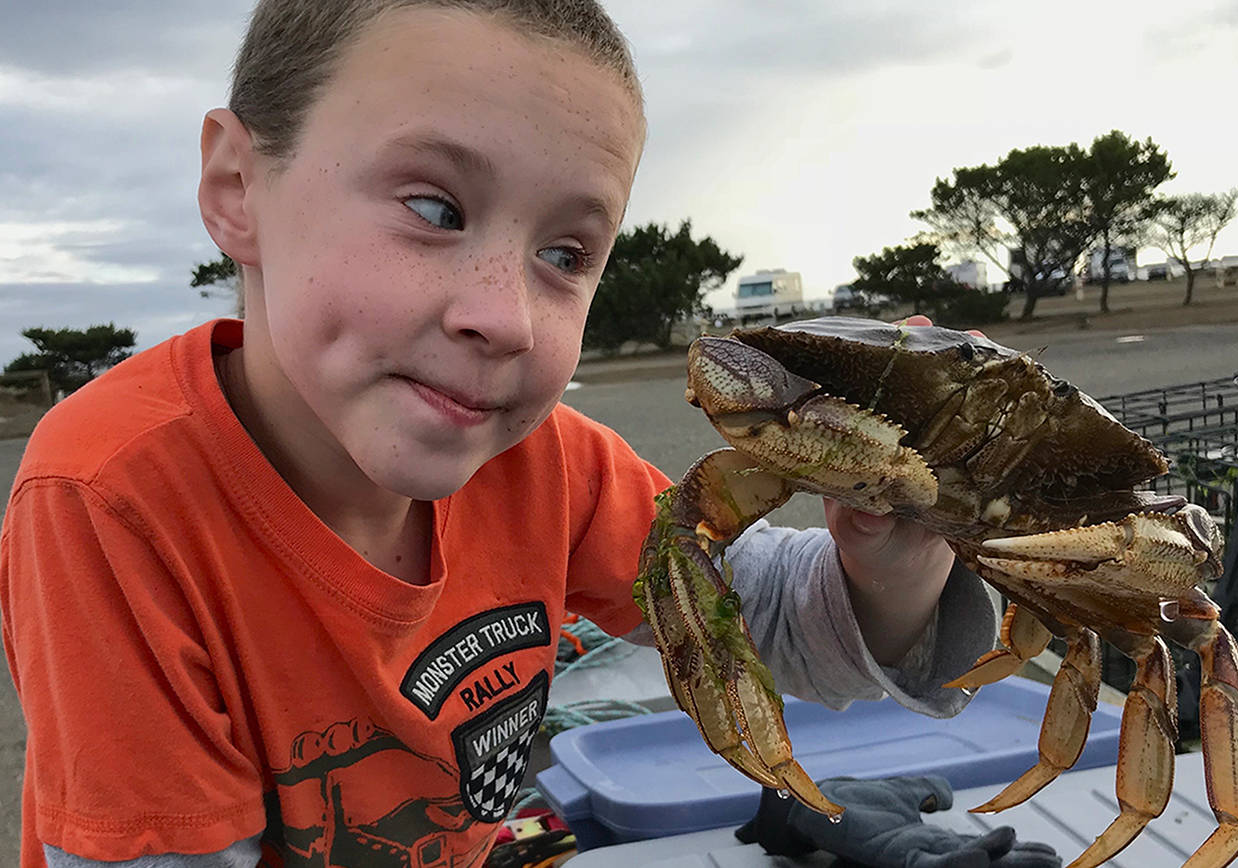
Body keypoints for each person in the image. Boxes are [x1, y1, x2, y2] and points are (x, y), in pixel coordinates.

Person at [0, 2, 996, 866]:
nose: (508, 317)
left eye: (566, 253)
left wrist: (896, 560)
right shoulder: (108, 497)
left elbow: (759, 623)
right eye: (435, 207)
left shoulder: (546, 464)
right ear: (235, 188)